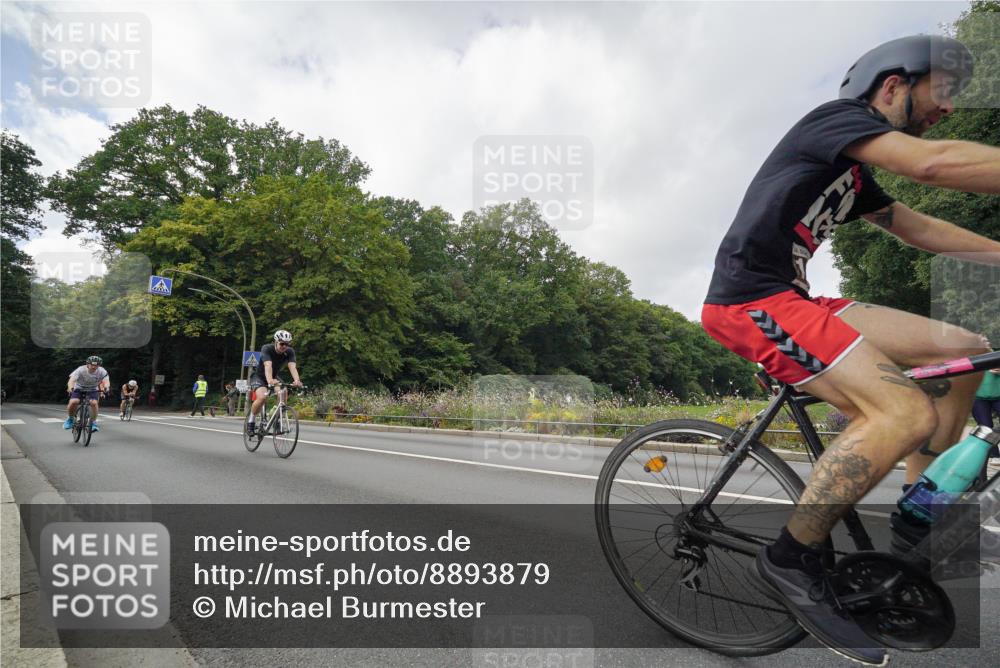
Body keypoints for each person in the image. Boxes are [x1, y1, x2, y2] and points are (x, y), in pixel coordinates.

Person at [701, 35, 999, 665]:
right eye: (940, 94)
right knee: (902, 412)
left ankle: (921, 514)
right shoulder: (833, 123)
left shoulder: (854, 175)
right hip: (748, 298)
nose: (945, 110)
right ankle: (791, 557)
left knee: (963, 349)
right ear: (892, 86)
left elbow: (919, 227)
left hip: (803, 300)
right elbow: (933, 165)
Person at [247, 330, 303, 435]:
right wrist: (270, 381)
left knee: (283, 392)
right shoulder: (267, 348)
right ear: (275, 342)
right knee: (262, 398)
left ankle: (276, 420)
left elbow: (292, 366)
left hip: (274, 377)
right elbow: (268, 365)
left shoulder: (290, 351)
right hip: (259, 377)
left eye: (287, 344)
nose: (284, 346)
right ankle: (251, 421)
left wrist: (297, 380)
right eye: (282, 343)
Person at [63, 356, 111, 432]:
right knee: (74, 401)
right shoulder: (80, 369)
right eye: (92, 365)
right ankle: (70, 419)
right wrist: (70, 388)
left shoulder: (102, 371)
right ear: (87, 364)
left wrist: (106, 387)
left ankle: (93, 423)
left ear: (99, 365)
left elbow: (106, 382)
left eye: (96, 365)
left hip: (92, 389)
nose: (94, 367)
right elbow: (71, 380)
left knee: (94, 403)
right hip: (79, 388)